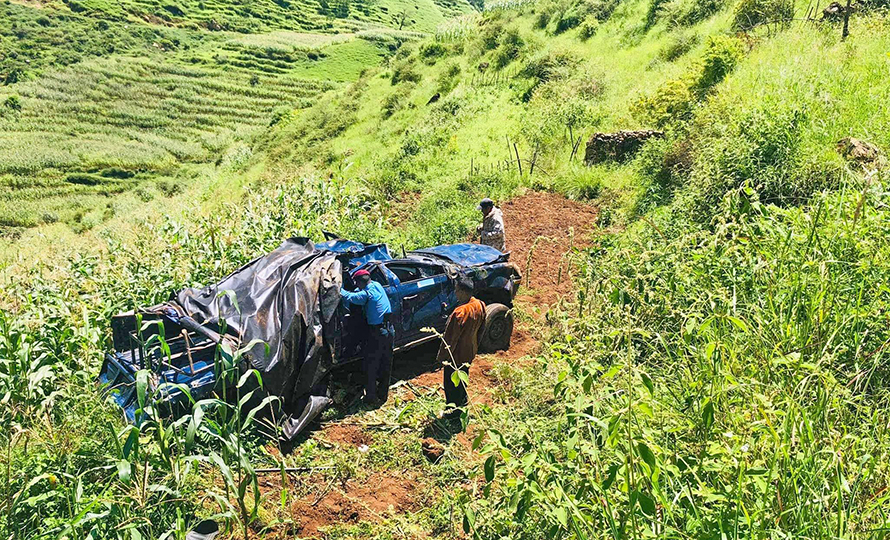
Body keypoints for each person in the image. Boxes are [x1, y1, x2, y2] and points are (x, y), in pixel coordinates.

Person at [340, 269, 394, 405]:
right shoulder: (376, 285)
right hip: (389, 330)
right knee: (386, 363)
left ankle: (370, 397)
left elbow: (350, 297)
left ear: (359, 282)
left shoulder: (367, 294)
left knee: (372, 363)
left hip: (377, 332)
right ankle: (383, 395)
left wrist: (337, 288)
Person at [437, 278, 486, 419]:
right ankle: (462, 405)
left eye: (457, 290)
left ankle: (452, 414)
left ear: (464, 292)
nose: (455, 293)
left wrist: (443, 358)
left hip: (456, 356)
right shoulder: (480, 305)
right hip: (469, 352)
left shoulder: (459, 313)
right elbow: (482, 328)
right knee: (463, 380)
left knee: (452, 385)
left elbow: (450, 340)